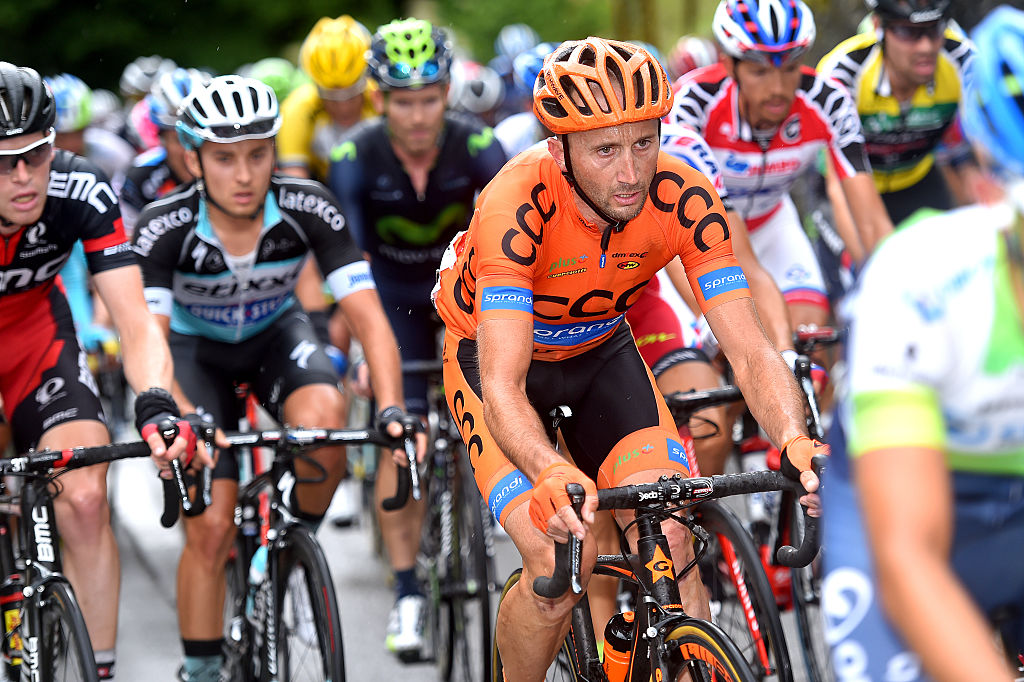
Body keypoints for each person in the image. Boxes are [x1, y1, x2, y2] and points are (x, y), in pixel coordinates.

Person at [432, 37, 824, 681]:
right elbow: (503, 384)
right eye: (605, 149)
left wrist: (793, 439)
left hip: (599, 350)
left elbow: (750, 351)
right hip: (493, 364)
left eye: (644, 142)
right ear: (559, 148)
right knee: (557, 563)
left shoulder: (682, 197)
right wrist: (548, 467)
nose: (630, 172)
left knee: (671, 535)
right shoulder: (514, 204)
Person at [131, 74, 420, 682]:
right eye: (224, 158)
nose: (244, 174)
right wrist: (179, 414)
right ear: (193, 157)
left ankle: (284, 553)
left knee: (326, 423)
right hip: (192, 354)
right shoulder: (164, 224)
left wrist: (394, 409)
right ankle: (202, 668)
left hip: (274, 337)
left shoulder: (307, 204)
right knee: (209, 529)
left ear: (274, 149)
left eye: (258, 154)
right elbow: (148, 338)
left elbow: (369, 318)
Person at [822, 7, 1024, 682]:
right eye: (908, 28)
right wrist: (877, 274)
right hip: (909, 500)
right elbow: (907, 560)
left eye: (932, 29)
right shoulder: (921, 281)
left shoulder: (956, 67)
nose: (922, 42)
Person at [0, 61, 205, 680]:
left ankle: (101, 671)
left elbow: (136, 321)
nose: (22, 176)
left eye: (35, 154)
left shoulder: (80, 189)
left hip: (38, 345)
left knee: (86, 498)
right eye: (2, 161)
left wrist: (155, 402)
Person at [327, 16, 507, 657]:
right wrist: (356, 344)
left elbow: (515, 249)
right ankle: (407, 591)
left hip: (464, 298)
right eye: (403, 100)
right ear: (380, 98)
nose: (418, 114)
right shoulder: (353, 156)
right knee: (399, 437)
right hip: (392, 303)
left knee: (506, 399)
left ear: (449, 90)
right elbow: (346, 260)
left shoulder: (481, 146)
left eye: (431, 97)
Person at [669, 0, 894, 331]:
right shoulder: (693, 102)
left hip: (771, 226)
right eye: (760, 71)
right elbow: (674, 209)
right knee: (719, 346)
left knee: (810, 340)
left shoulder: (827, 101)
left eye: (789, 69)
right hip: (694, 239)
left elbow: (871, 221)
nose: (777, 88)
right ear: (729, 65)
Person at [817, 0, 980, 225]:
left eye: (934, 29)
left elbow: (973, 153)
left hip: (915, 180)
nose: (926, 47)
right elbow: (839, 186)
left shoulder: (963, 60)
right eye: (908, 32)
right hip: (847, 185)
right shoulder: (843, 73)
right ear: (878, 26)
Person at [278, 15, 377, 182]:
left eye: (352, 93)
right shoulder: (297, 108)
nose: (343, 107)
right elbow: (295, 180)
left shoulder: (379, 98)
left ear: (366, 80)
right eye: (330, 97)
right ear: (315, 87)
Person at [119, 68, 207, 234]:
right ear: (161, 140)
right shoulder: (140, 177)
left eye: (197, 137)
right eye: (179, 139)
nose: (189, 151)